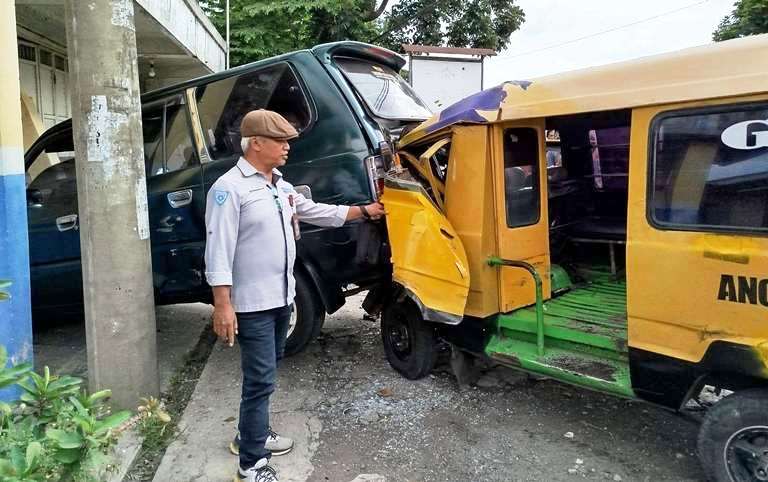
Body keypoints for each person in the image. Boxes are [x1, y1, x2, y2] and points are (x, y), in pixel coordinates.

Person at [204, 109, 385, 482]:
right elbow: (217, 252)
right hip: (252, 304)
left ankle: (249, 434)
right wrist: (223, 305)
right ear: (257, 144)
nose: (287, 147)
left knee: (265, 374)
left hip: (281, 298)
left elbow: (317, 211)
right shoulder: (229, 189)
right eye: (281, 141)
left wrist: (364, 211)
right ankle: (251, 463)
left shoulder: (279, 186)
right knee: (261, 378)